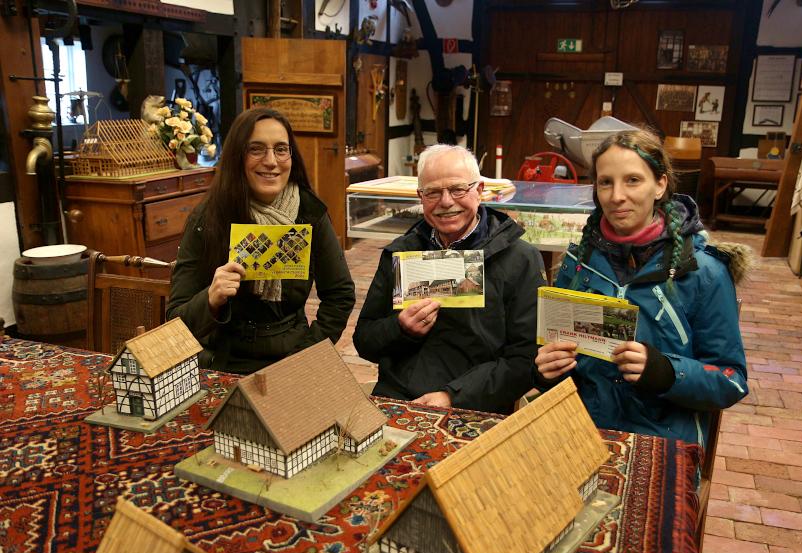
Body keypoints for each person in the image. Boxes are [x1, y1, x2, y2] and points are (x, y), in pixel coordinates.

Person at [535, 128, 749, 446]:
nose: (616, 196)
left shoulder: (703, 272)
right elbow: (558, 360)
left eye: (632, 180)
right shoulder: (578, 263)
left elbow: (732, 381)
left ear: (660, 184)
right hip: (581, 432)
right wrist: (546, 370)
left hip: (664, 440)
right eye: (606, 182)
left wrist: (666, 372)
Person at [354, 144, 545, 414]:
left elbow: (525, 360)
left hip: (476, 404)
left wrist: (453, 396)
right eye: (433, 192)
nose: (446, 202)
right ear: (421, 197)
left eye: (458, 189)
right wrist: (401, 329)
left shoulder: (520, 260)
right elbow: (364, 340)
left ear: (478, 191)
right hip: (399, 395)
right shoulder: (402, 252)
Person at [167, 107, 355, 374]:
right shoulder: (208, 217)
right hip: (226, 359)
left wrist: (309, 352)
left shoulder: (309, 213)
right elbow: (176, 320)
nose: (271, 161)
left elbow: (340, 294)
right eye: (256, 149)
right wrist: (210, 298)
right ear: (237, 157)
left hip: (295, 355)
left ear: (291, 156)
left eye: (281, 149)